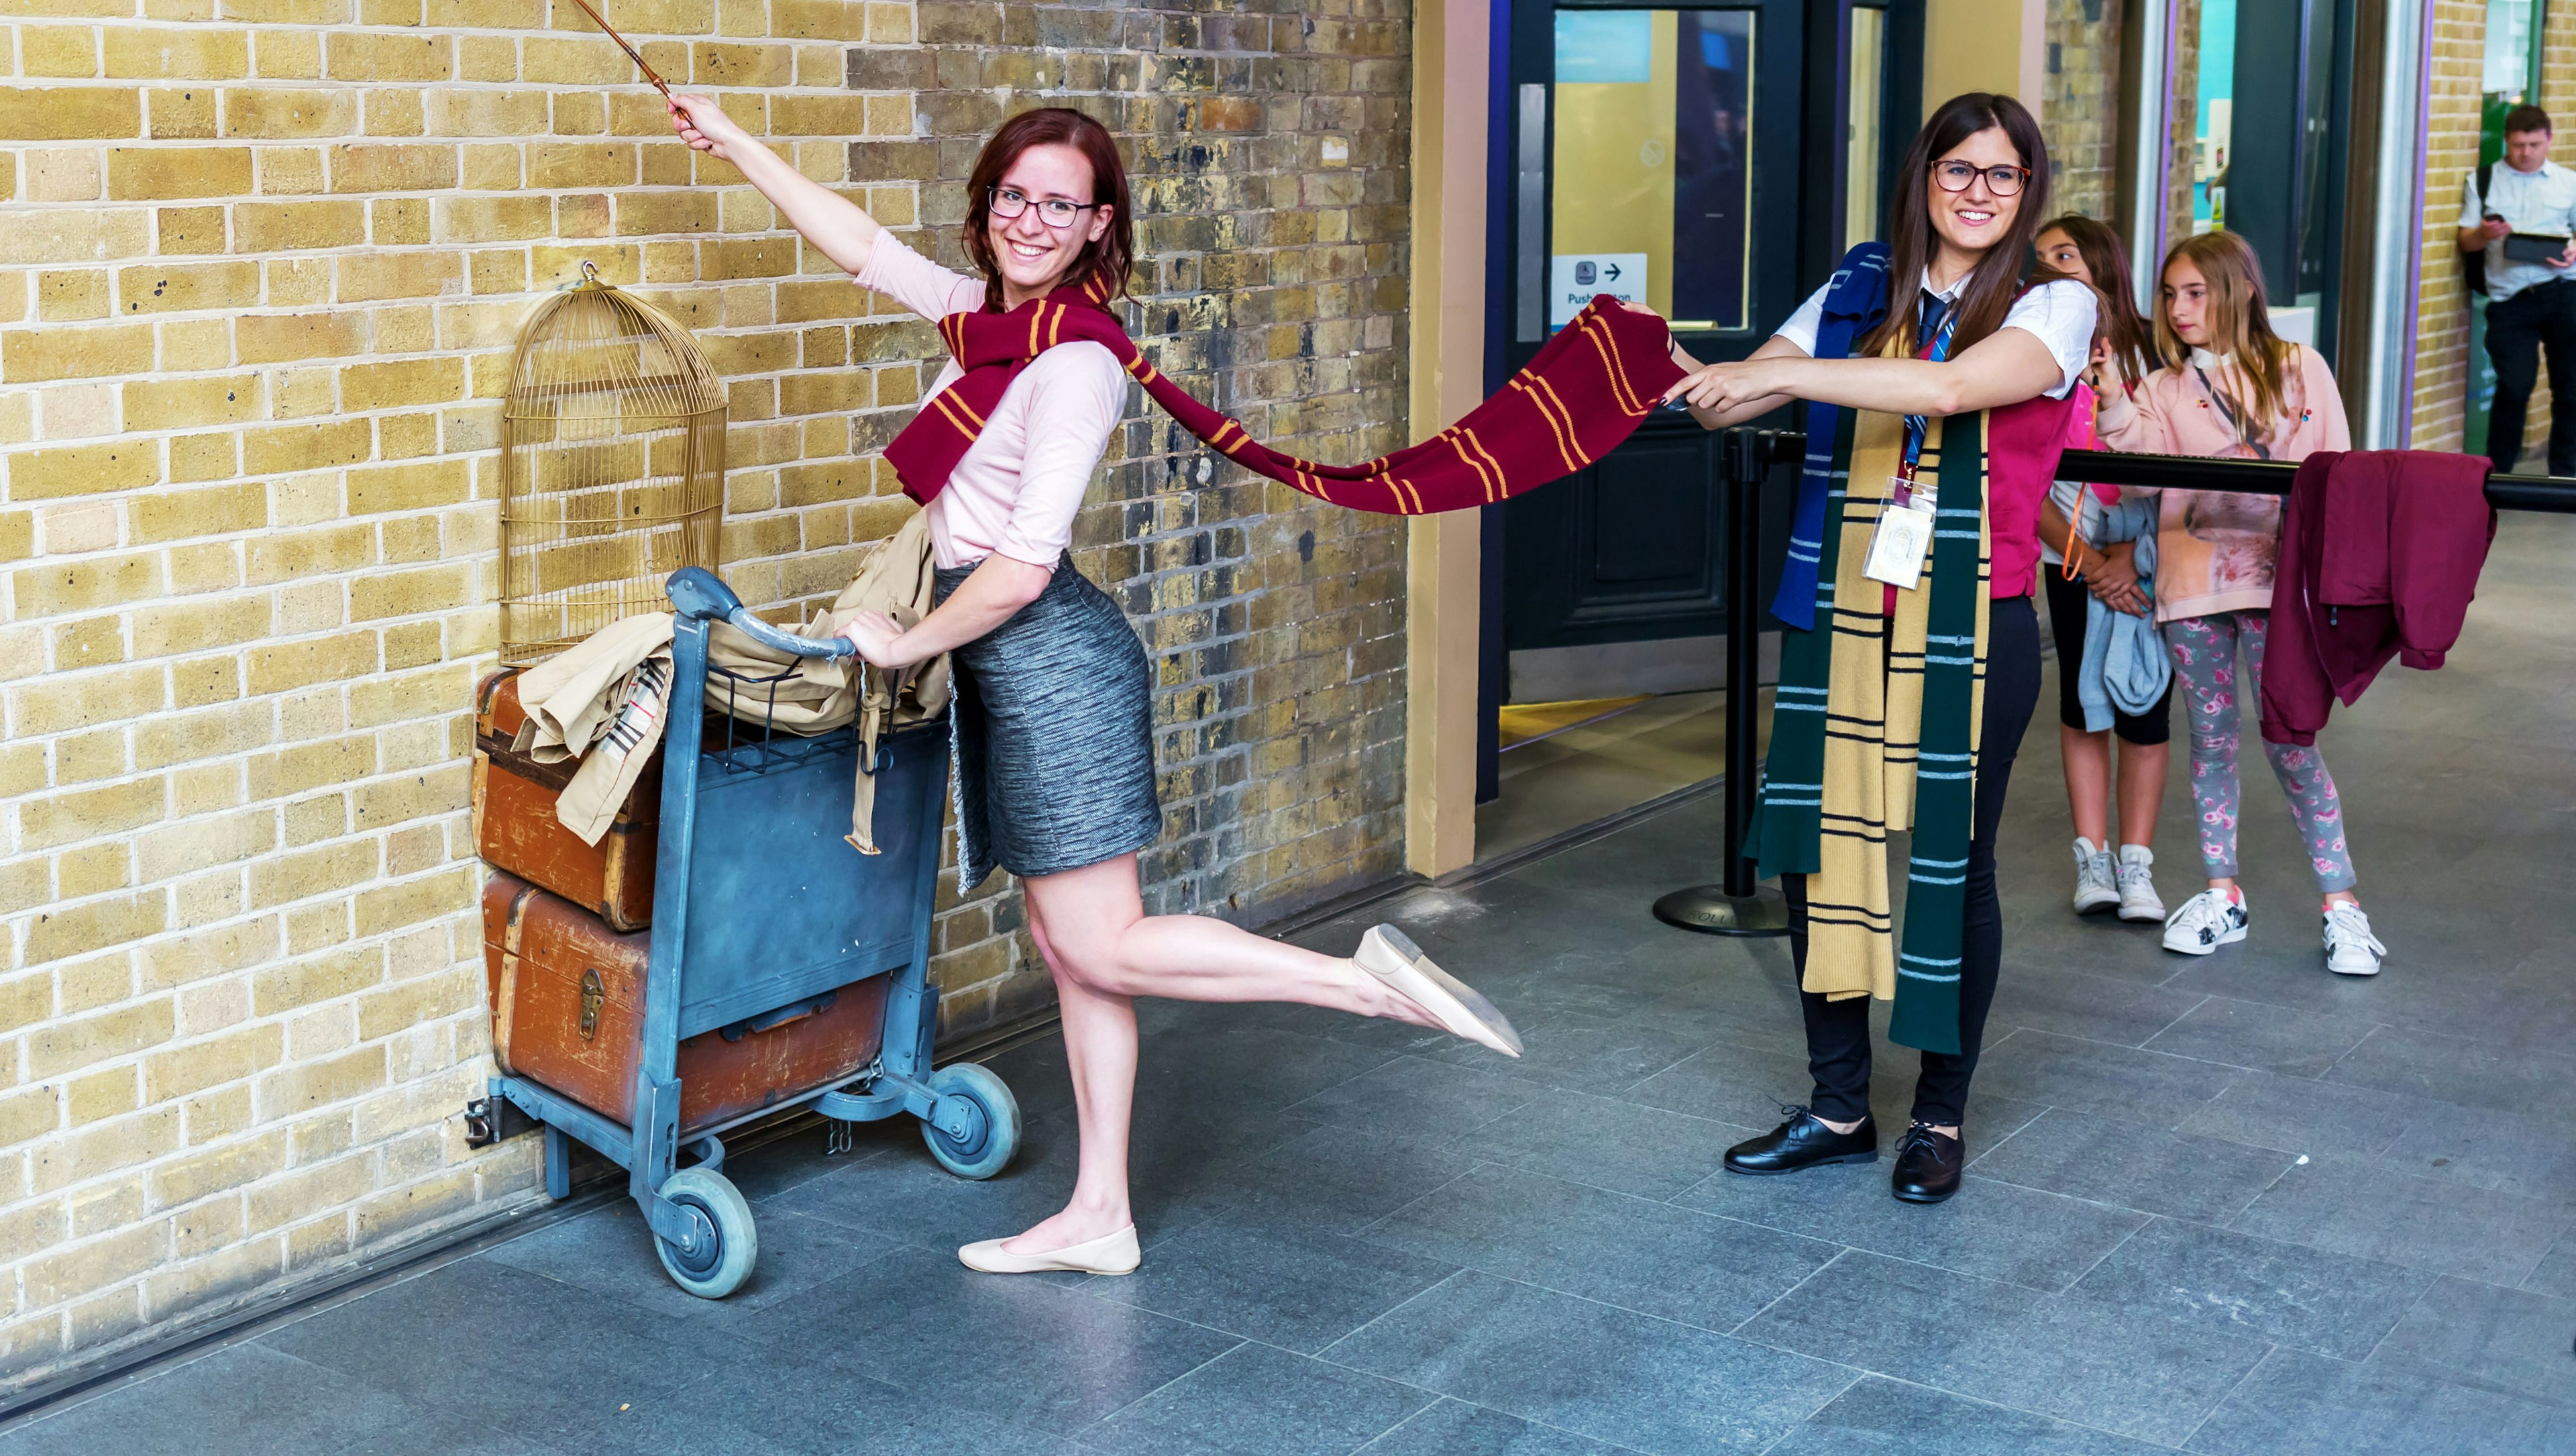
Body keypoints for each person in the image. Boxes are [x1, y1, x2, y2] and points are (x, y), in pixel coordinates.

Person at [663, 95, 1523, 1277]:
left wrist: (904, 646)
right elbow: (856, 243)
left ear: (1097, 224)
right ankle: (1102, 1215)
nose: (1029, 219)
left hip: (1055, 666)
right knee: (1072, 952)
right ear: (990, 205)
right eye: (1014, 195)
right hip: (1014, 676)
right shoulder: (986, 324)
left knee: (1105, 945)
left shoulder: (1072, 365)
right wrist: (733, 138)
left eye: (1058, 204)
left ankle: (1361, 983)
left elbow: (1019, 570)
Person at [1662, 93, 2097, 1204]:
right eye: (1958, 170)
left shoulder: (2055, 306)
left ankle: (1941, 1118)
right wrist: (1679, 371)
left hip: (1973, 618)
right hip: (1848, 608)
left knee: (1956, 860)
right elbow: (1740, 394)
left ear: (2027, 186)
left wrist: (1783, 375)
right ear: (1924, 177)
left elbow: (1951, 389)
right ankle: (1839, 1105)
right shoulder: (1862, 285)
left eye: (2001, 175)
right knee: (1818, 845)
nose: (1977, 193)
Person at [2096, 231, 2381, 977]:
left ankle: (2342, 904)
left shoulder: (2300, 369)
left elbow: (2338, 474)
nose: (2180, 308)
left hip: (2278, 587)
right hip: (2192, 585)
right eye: (2170, 294)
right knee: (2213, 738)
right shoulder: (2163, 387)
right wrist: (2113, 400)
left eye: (2196, 292)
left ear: (2241, 290)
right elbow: (2138, 478)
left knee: (2292, 741)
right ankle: (2223, 892)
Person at [2031, 217, 2170, 924]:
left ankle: (2137, 863)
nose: (2049, 269)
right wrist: (2087, 561)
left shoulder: (2159, 352)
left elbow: (2181, 462)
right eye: (2040, 259)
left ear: (2102, 266)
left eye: (2065, 256)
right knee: (2082, 704)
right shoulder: (2033, 354)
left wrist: (2131, 559)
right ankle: (2093, 857)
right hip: (2069, 552)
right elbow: (2023, 477)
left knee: (2145, 707)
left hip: (2151, 551)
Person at [2458, 103, 2576, 477]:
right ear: (2506, 141)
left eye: (2534, 145)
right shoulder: (2482, 180)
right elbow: (2466, 241)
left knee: (2570, 388)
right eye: (2518, 145)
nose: (2526, 154)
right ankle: (2499, 475)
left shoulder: (2568, 182)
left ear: (2549, 141)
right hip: (2510, 299)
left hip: (2562, 291)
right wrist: (2484, 234)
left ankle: (2565, 474)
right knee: (2513, 385)